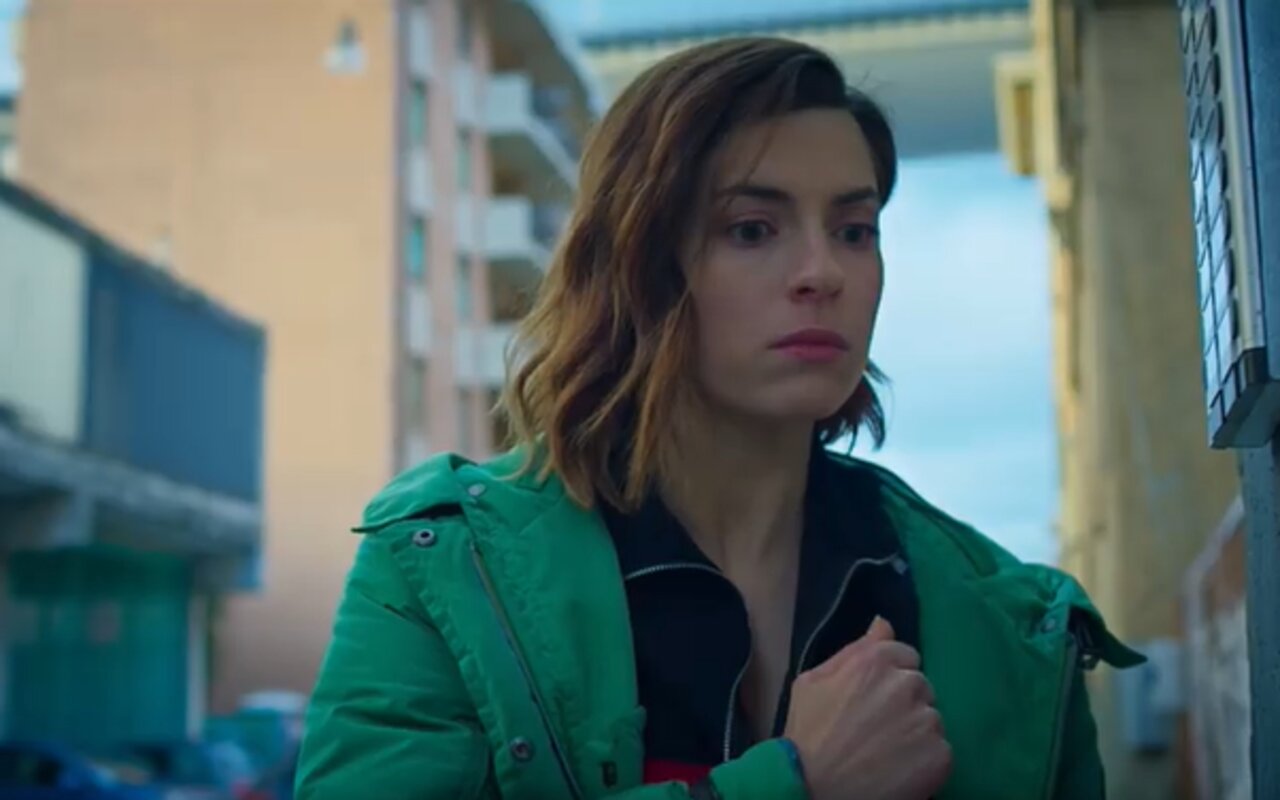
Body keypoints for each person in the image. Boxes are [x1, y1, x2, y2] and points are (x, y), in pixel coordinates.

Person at [294, 37, 1143, 800]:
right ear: (638, 266)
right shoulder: (448, 570)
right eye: (752, 228)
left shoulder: (1010, 623)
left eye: (854, 230)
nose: (822, 272)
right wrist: (791, 783)